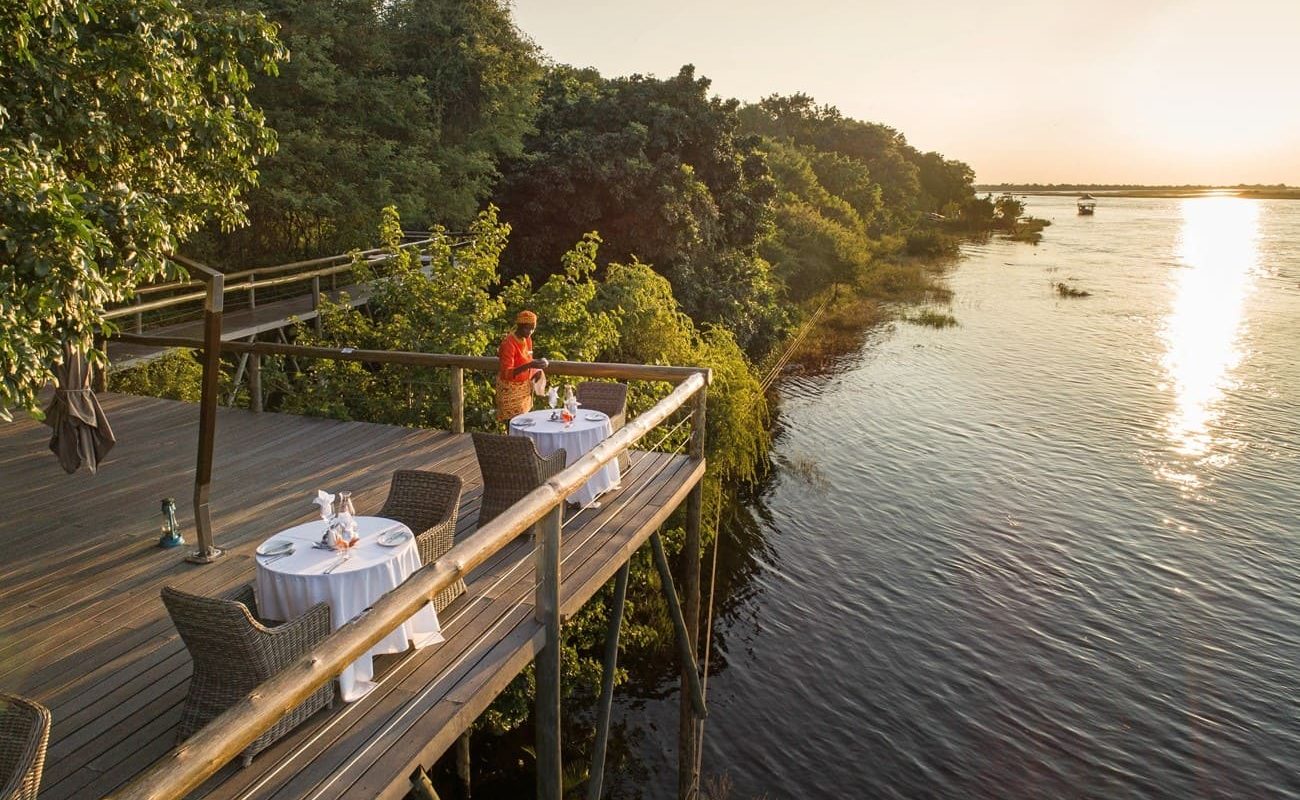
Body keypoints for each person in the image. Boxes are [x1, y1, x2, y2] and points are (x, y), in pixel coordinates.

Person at [495, 310, 549, 422]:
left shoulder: (527, 339)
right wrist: (530, 365)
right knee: (513, 424)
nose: (530, 332)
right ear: (519, 326)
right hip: (510, 390)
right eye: (527, 328)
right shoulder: (508, 343)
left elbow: (527, 359)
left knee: (524, 423)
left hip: (523, 389)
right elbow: (507, 373)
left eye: (533, 329)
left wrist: (536, 369)